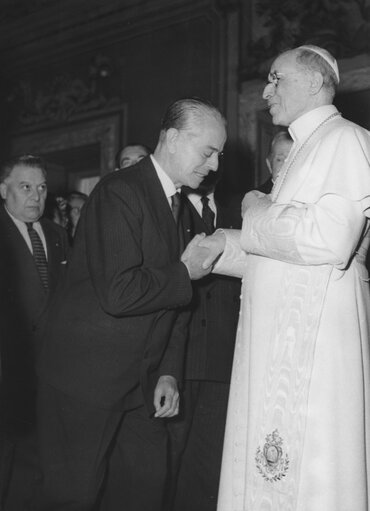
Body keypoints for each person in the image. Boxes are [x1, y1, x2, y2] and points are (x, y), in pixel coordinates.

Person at [183, 45, 370, 510]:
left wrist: (255, 208)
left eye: (275, 79)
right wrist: (224, 245)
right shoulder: (307, 145)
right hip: (279, 343)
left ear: (311, 82)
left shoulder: (344, 139)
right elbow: (283, 251)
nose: (265, 91)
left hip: (318, 346)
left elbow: (328, 242)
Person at [33, 97, 226, 511]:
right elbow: (120, 292)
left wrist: (170, 372)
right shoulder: (119, 190)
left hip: (140, 381)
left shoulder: (179, 205)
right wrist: (185, 271)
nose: (213, 166)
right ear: (173, 139)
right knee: (75, 496)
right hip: (83, 380)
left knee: (144, 490)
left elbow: (175, 306)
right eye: (208, 152)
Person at [167, 170, 242, 511]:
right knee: (170, 459)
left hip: (224, 360)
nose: (212, 167)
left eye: (218, 160)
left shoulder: (238, 214)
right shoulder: (172, 209)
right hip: (179, 359)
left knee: (210, 462)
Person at [0, 155, 69, 510]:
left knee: (39, 473)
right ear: (3, 190)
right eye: (25, 187)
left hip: (50, 378)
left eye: (41, 188)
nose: (35, 196)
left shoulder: (58, 235)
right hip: (7, 378)